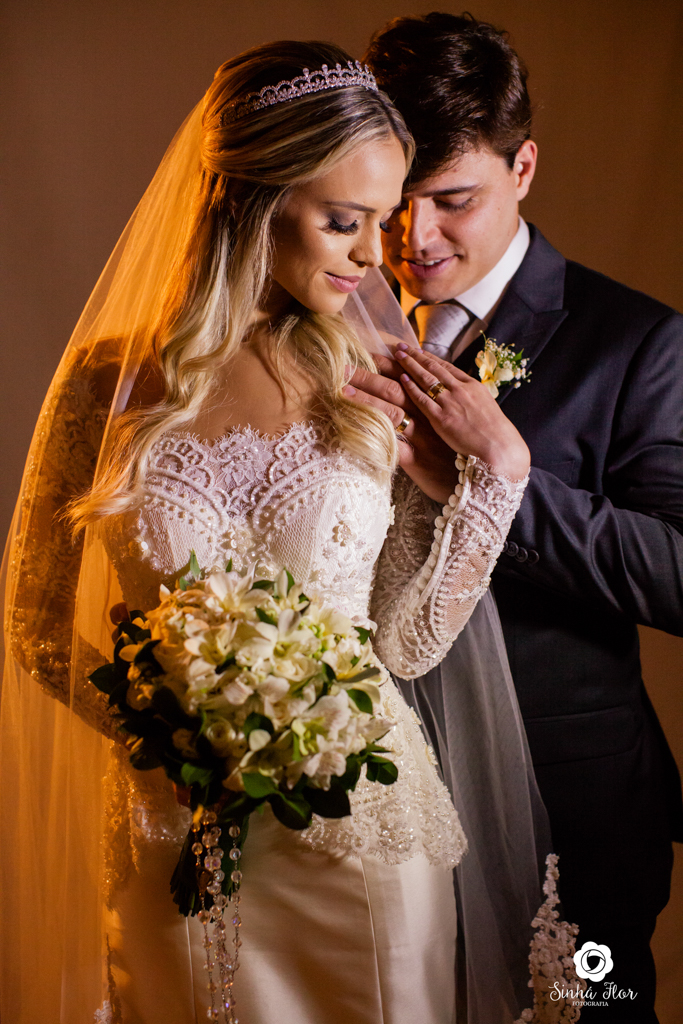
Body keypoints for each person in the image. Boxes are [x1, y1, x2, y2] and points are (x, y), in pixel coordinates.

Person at [0, 38, 576, 1024]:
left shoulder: (375, 386)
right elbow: (34, 622)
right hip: (180, 835)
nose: (376, 257)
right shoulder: (109, 386)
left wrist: (496, 483)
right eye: (345, 222)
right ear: (248, 202)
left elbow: (405, 644)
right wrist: (168, 734)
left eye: (382, 220)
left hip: (360, 836)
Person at [344, 12, 683, 1023]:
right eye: (392, 203)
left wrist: (492, 483)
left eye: (452, 200)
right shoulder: (329, 312)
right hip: (375, 811)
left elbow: (677, 570)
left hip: (568, 811)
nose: (412, 240)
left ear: (522, 167)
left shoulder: (637, 343)